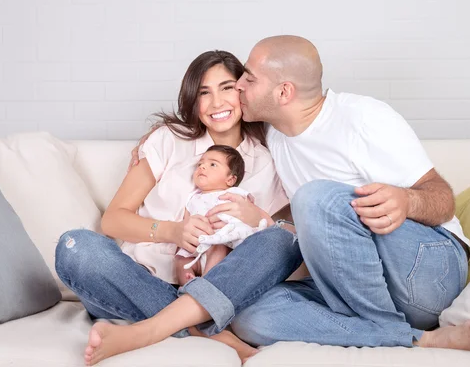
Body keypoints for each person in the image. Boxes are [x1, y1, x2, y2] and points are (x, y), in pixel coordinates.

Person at [79, 36, 470, 365]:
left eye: (244, 81)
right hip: (352, 287)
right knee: (249, 315)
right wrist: (159, 138)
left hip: (423, 268)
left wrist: (406, 201)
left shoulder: (360, 119)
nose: (237, 90)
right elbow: (295, 231)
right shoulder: (272, 139)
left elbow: (440, 198)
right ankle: (411, 339)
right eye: (213, 90)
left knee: (309, 203)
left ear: (283, 91)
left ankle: (154, 328)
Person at [54, 50, 300, 366]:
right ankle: (205, 329)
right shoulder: (168, 140)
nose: (217, 103)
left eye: (227, 88)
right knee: (76, 247)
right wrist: (172, 231)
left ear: (243, 91)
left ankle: (153, 329)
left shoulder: (265, 161)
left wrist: (262, 220)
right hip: (136, 281)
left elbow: (272, 250)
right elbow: (113, 220)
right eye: (204, 92)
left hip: (216, 285)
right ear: (192, 100)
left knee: (280, 240)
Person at [174, 144, 266, 285]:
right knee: (180, 259)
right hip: (197, 248)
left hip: (221, 245)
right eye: (200, 164)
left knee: (219, 247)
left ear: (230, 180)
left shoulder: (234, 194)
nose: (202, 167)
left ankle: (205, 284)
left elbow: (250, 213)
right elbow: (186, 221)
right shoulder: (192, 197)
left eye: (212, 164)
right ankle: (187, 284)